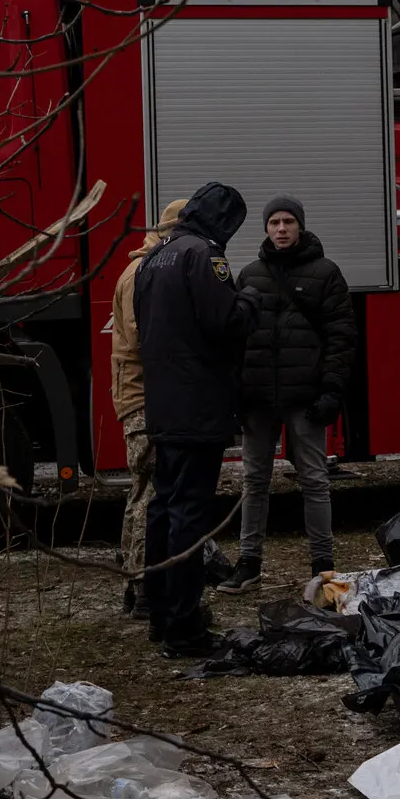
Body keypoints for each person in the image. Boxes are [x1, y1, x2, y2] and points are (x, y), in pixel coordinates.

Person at [134, 181, 259, 656]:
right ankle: (185, 629)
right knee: (188, 514)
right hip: (198, 404)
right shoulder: (204, 256)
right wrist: (249, 300)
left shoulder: (153, 258)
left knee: (164, 509)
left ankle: (161, 616)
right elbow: (225, 323)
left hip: (164, 403)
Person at [222, 194, 355, 592]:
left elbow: (341, 337)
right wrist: (235, 394)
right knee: (254, 481)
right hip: (258, 399)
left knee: (314, 480)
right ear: (265, 228)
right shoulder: (249, 275)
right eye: (274, 222)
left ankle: (323, 566)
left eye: (288, 222)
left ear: (300, 226)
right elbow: (235, 342)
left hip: (305, 398)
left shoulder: (326, 273)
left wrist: (331, 390)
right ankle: (249, 564)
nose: (281, 229)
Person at [109, 197, 185, 619]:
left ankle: (133, 584)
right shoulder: (143, 272)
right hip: (143, 398)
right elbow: (142, 339)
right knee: (150, 494)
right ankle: (142, 588)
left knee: (140, 493)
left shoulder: (137, 268)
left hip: (136, 394)